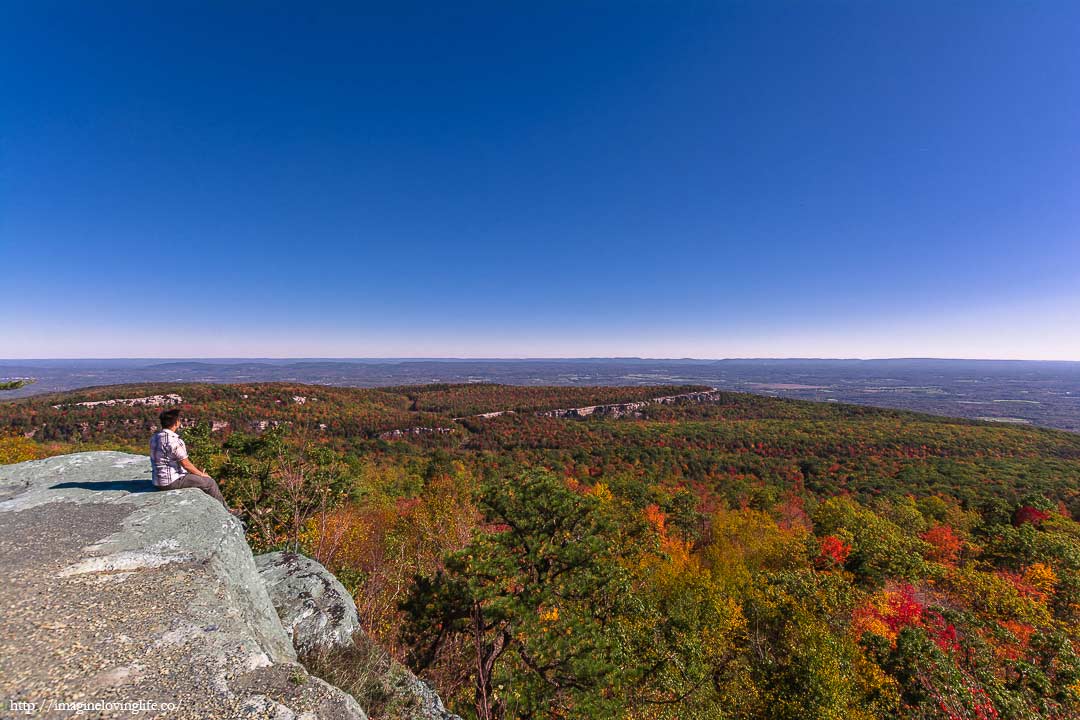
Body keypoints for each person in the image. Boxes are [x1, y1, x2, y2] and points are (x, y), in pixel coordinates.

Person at [150, 408, 228, 507]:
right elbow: (186, 465)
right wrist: (202, 474)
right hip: (170, 482)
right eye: (178, 420)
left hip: (157, 481)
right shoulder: (174, 441)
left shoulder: (155, 437)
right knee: (210, 483)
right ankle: (226, 510)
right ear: (176, 423)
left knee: (198, 478)